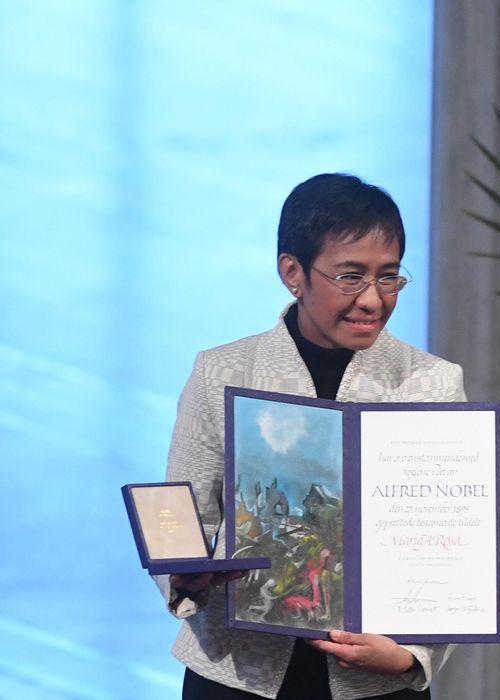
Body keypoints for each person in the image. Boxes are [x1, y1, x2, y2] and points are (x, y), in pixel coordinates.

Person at [158, 173, 464, 699]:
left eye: (389, 277)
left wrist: (411, 655)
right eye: (350, 277)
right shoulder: (222, 372)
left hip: (375, 679)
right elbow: (182, 520)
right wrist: (184, 577)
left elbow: (452, 544)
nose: (373, 299)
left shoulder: (432, 382)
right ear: (292, 272)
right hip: (237, 673)